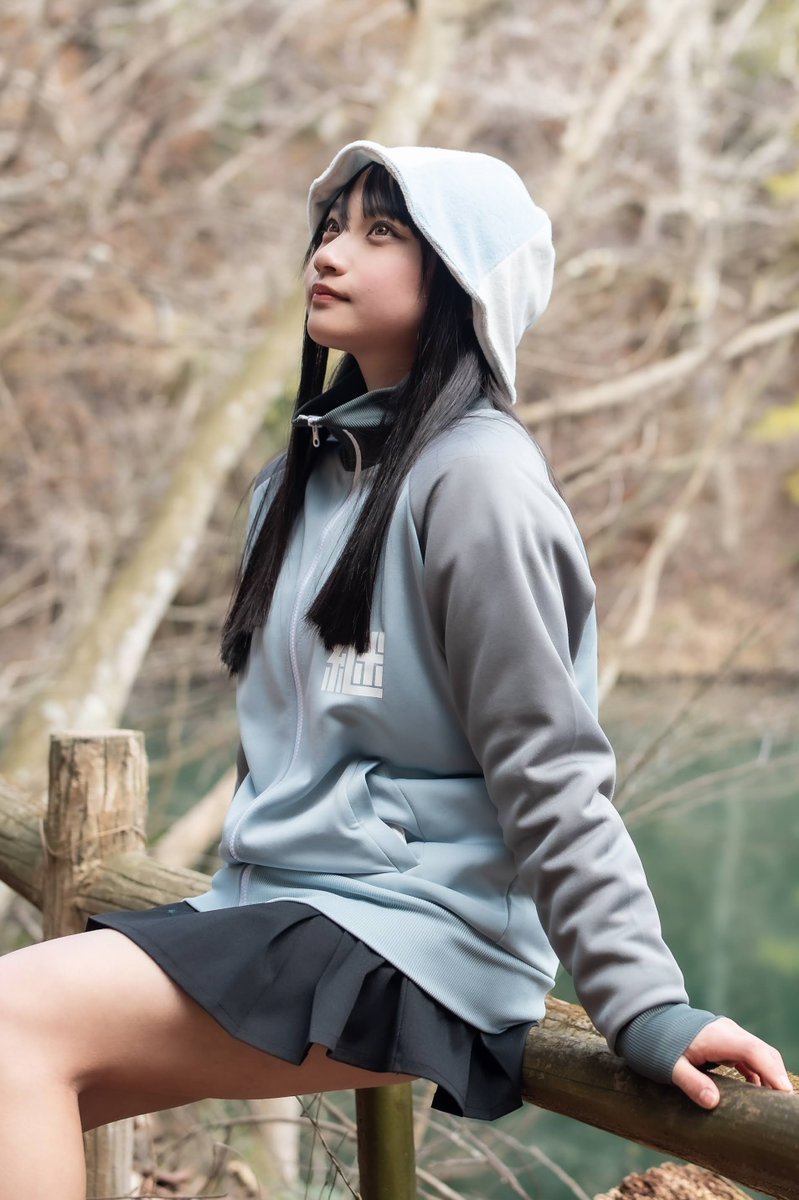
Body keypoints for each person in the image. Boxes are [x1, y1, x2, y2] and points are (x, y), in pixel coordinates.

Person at [0, 141, 792, 1198]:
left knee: (12, 1026)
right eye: (332, 226)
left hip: (418, 936)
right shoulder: (295, 483)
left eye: (381, 233)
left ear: (460, 283)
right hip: (279, 907)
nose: (331, 253)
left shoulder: (480, 484)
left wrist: (644, 1005)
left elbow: (550, 771)